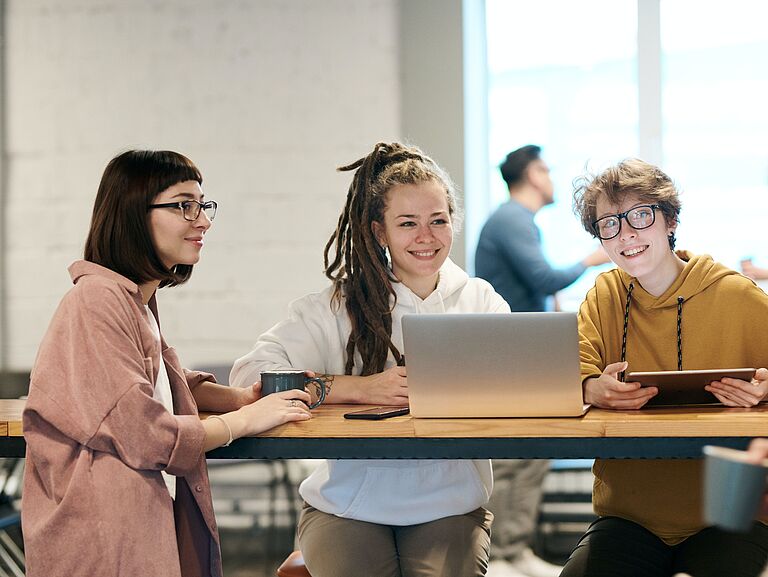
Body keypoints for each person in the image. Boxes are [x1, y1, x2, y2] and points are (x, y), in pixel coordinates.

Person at [21, 150, 312, 577]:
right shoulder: (95, 301)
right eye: (184, 205)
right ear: (135, 214)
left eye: (202, 205)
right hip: (103, 539)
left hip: (129, 525)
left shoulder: (134, 299)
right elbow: (143, 432)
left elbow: (154, 379)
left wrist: (234, 397)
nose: (203, 221)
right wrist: (245, 420)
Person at [231, 142, 510, 577]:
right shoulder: (338, 305)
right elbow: (252, 373)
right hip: (345, 506)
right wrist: (360, 388)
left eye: (439, 221)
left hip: (451, 505)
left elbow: (516, 386)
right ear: (380, 232)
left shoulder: (480, 300)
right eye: (408, 223)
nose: (426, 236)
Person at [559, 158, 768, 577]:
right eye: (610, 224)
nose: (626, 234)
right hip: (628, 515)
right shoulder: (603, 295)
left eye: (640, 215)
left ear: (670, 220)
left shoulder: (737, 296)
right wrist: (588, 387)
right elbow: (568, 372)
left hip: (731, 514)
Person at [475, 144, 608, 577]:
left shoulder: (516, 221)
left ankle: (513, 550)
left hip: (520, 355)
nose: (552, 178)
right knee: (513, 458)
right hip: (508, 357)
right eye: (547, 170)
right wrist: (593, 258)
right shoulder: (512, 219)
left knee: (531, 453)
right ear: (533, 174)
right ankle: (499, 554)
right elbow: (542, 276)